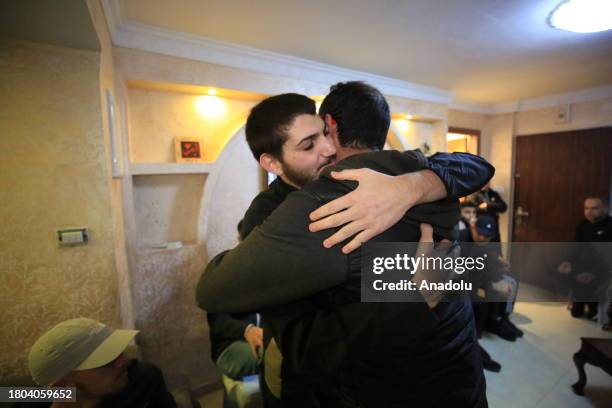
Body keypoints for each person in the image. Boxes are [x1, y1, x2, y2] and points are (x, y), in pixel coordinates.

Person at [198, 82, 494, 407]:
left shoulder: (398, 173)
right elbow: (303, 345)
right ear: (272, 163)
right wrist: (412, 299)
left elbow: (476, 165)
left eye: (324, 135)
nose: (326, 149)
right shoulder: (273, 215)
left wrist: (415, 186)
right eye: (310, 143)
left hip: (448, 377)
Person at [26, 318, 176, 408]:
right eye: (107, 362)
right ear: (63, 386)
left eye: (119, 352)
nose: (125, 361)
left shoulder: (145, 377)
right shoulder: (30, 397)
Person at [558, 197, 612, 318]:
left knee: (592, 282)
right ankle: (581, 299)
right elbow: (575, 247)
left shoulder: (610, 226)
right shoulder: (582, 225)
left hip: (603, 269)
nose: (589, 212)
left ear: (605, 209)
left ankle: (592, 304)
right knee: (558, 269)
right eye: (586, 208)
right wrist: (566, 261)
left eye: (594, 208)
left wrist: (594, 273)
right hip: (583, 266)